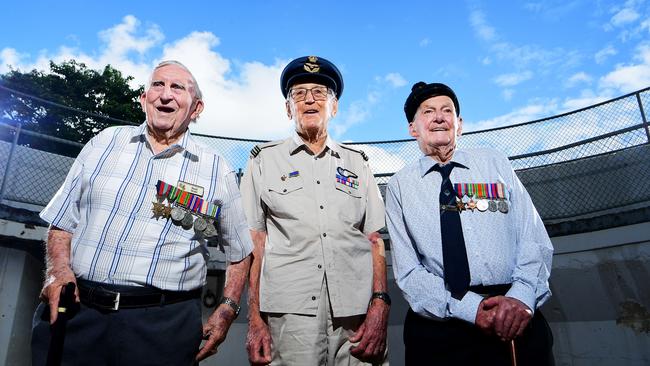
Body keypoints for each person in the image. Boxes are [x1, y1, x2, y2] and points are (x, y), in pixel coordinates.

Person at [31, 60, 253, 365]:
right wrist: (57, 271)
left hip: (162, 328)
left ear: (196, 107)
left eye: (177, 87)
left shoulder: (217, 170)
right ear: (143, 98)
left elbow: (240, 252)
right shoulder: (103, 143)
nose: (165, 95)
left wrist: (227, 308)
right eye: (157, 85)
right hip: (77, 315)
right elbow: (61, 223)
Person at [385, 81, 554, 365]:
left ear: (459, 124)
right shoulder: (399, 186)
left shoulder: (494, 163)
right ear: (413, 128)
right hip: (441, 324)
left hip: (514, 312)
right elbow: (409, 271)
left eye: (447, 110)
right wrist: (472, 309)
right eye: (427, 111)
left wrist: (522, 297)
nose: (439, 116)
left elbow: (532, 237)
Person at [240, 55, 390, 365]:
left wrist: (380, 305)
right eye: (299, 93)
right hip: (290, 316)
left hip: (357, 313)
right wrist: (255, 319)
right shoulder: (263, 161)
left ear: (334, 107)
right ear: (287, 107)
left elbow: (374, 238)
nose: (310, 99)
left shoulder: (358, 163)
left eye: (320, 92)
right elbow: (255, 243)